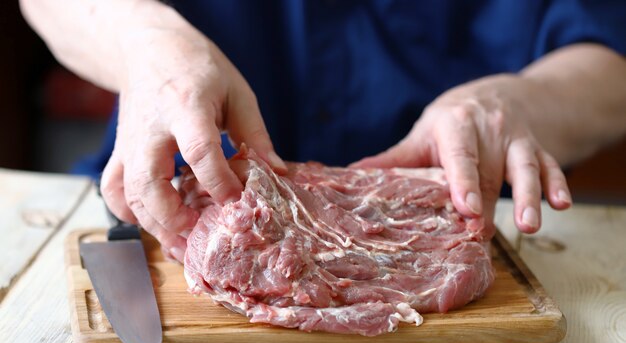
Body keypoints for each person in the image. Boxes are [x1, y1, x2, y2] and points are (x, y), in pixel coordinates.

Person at [20, 0, 626, 262]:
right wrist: (145, 42)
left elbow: (611, 56)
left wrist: (519, 101)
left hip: (459, 226)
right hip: (164, 214)